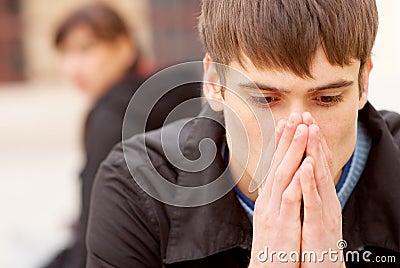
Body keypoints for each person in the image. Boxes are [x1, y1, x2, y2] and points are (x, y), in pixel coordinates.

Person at [86, 0, 400, 267]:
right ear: (213, 82)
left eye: (327, 98)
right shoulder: (137, 186)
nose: (297, 129)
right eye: (265, 99)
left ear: (363, 83)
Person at [43, 3, 200, 268]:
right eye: (65, 53)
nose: (72, 66)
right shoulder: (164, 94)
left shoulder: (110, 116)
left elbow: (95, 218)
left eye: (85, 49)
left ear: (125, 49)